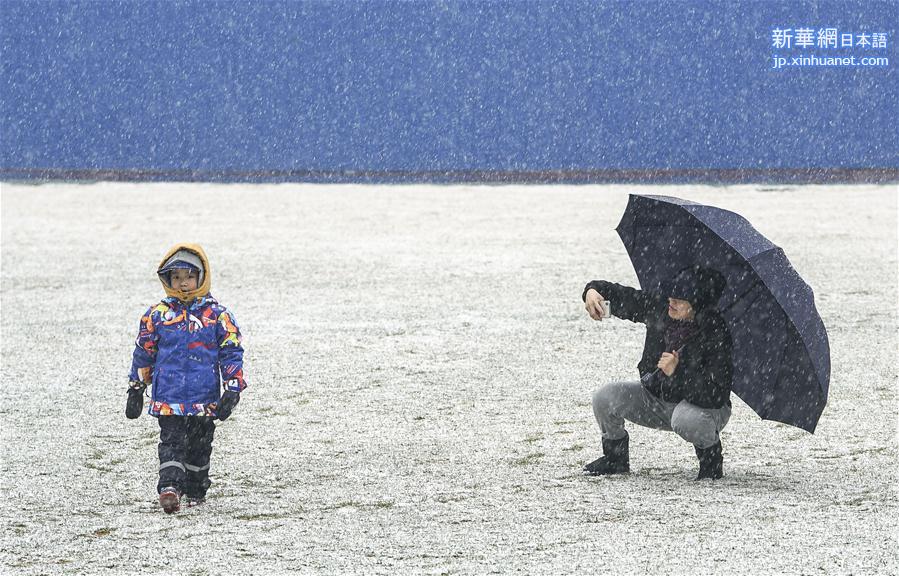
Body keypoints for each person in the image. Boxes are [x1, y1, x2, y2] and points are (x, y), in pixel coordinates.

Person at [581, 265, 732, 480]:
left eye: (679, 300)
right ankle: (615, 460)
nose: (671, 302)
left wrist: (677, 372)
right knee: (605, 397)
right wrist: (593, 291)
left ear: (697, 306)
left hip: (702, 410)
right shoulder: (661, 309)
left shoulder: (716, 333)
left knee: (685, 419)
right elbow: (625, 298)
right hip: (657, 399)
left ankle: (711, 463)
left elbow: (715, 394)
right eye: (672, 295)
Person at [127, 243, 246, 513]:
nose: (183, 284)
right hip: (169, 398)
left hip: (203, 399)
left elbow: (231, 351)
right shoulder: (157, 315)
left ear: (202, 277)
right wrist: (135, 387)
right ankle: (169, 487)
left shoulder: (218, 316)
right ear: (167, 280)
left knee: (199, 446)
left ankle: (196, 487)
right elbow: (144, 352)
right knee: (171, 443)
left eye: (189, 277)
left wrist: (233, 388)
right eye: (177, 277)